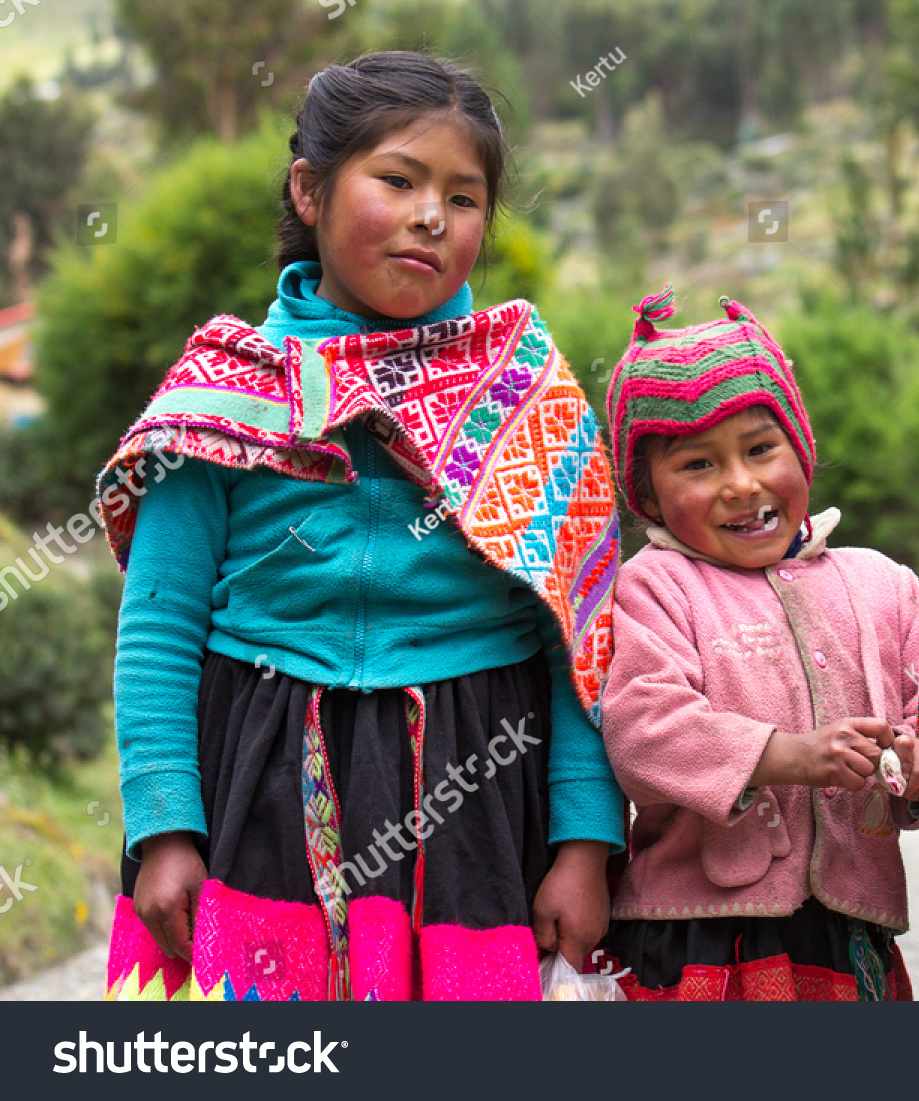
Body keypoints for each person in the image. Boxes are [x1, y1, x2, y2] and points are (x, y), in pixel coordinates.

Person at [99, 52, 622, 1001]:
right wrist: (165, 827)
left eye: (465, 199)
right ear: (309, 189)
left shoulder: (523, 392)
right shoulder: (228, 390)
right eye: (398, 180)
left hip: (478, 794)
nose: (433, 215)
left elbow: (581, 639)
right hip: (257, 780)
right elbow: (160, 626)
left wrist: (584, 841)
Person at [595, 287, 919, 1000]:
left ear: (802, 448)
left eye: (762, 448)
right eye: (697, 465)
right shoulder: (654, 586)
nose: (741, 483)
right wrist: (788, 754)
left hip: (850, 938)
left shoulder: (886, 586)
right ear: (650, 495)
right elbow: (641, 727)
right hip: (700, 939)